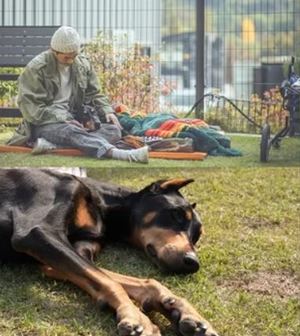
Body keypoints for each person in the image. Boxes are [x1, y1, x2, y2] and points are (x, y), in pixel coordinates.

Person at [7, 26, 148, 163]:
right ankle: (118, 154)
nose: (71, 60)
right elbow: (32, 109)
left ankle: (54, 145)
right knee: (69, 131)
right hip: (45, 123)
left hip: (76, 121)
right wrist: (63, 118)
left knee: (113, 130)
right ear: (54, 51)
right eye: (67, 57)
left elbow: (95, 93)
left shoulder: (83, 64)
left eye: (74, 56)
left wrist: (107, 111)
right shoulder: (36, 69)